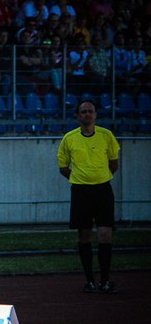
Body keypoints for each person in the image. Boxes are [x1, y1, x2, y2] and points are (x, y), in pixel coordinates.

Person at [57, 100, 120, 294]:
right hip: (80, 191)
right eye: (83, 111)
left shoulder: (106, 135)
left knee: (105, 234)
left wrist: (99, 177)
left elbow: (114, 163)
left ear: (95, 114)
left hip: (102, 190)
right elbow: (63, 167)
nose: (87, 114)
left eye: (90, 111)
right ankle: (90, 281)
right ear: (77, 116)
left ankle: (105, 280)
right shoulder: (69, 138)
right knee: (84, 235)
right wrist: (79, 178)